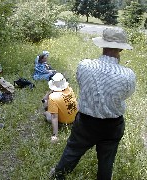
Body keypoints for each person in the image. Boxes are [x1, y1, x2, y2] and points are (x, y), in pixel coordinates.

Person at [50, 28, 136, 180]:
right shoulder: (128, 75)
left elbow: (81, 84)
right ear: (121, 48)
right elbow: (126, 96)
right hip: (113, 125)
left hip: (86, 121)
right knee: (107, 161)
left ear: (102, 45)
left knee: (73, 150)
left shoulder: (85, 65)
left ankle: (58, 175)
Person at [42, 73, 78, 143]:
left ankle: (56, 129)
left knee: (46, 113)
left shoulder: (53, 97)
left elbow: (54, 117)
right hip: (75, 118)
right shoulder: (69, 89)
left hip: (65, 122)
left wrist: (55, 135)